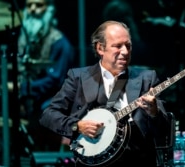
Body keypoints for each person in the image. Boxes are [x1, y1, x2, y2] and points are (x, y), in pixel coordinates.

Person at [39, 20, 171, 166]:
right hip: (91, 161)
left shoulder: (147, 78)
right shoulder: (78, 78)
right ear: (100, 48)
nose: (125, 52)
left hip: (137, 159)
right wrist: (77, 126)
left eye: (128, 46)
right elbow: (48, 115)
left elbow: (164, 130)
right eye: (117, 46)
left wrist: (154, 112)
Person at [16, 0, 75, 151]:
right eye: (29, 5)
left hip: (54, 100)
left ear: (49, 9)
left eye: (39, 5)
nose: (33, 9)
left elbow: (55, 80)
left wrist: (22, 88)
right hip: (31, 99)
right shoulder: (24, 41)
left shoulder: (60, 43)